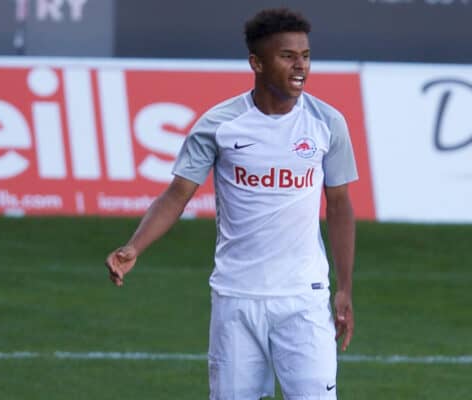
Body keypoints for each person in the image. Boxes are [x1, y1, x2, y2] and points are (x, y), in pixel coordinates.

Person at [105, 7, 357, 399]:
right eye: (287, 56)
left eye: (305, 55)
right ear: (256, 62)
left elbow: (339, 205)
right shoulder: (218, 125)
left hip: (304, 298)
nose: (300, 66)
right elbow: (177, 195)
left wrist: (344, 289)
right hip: (236, 297)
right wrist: (134, 246)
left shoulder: (328, 122)